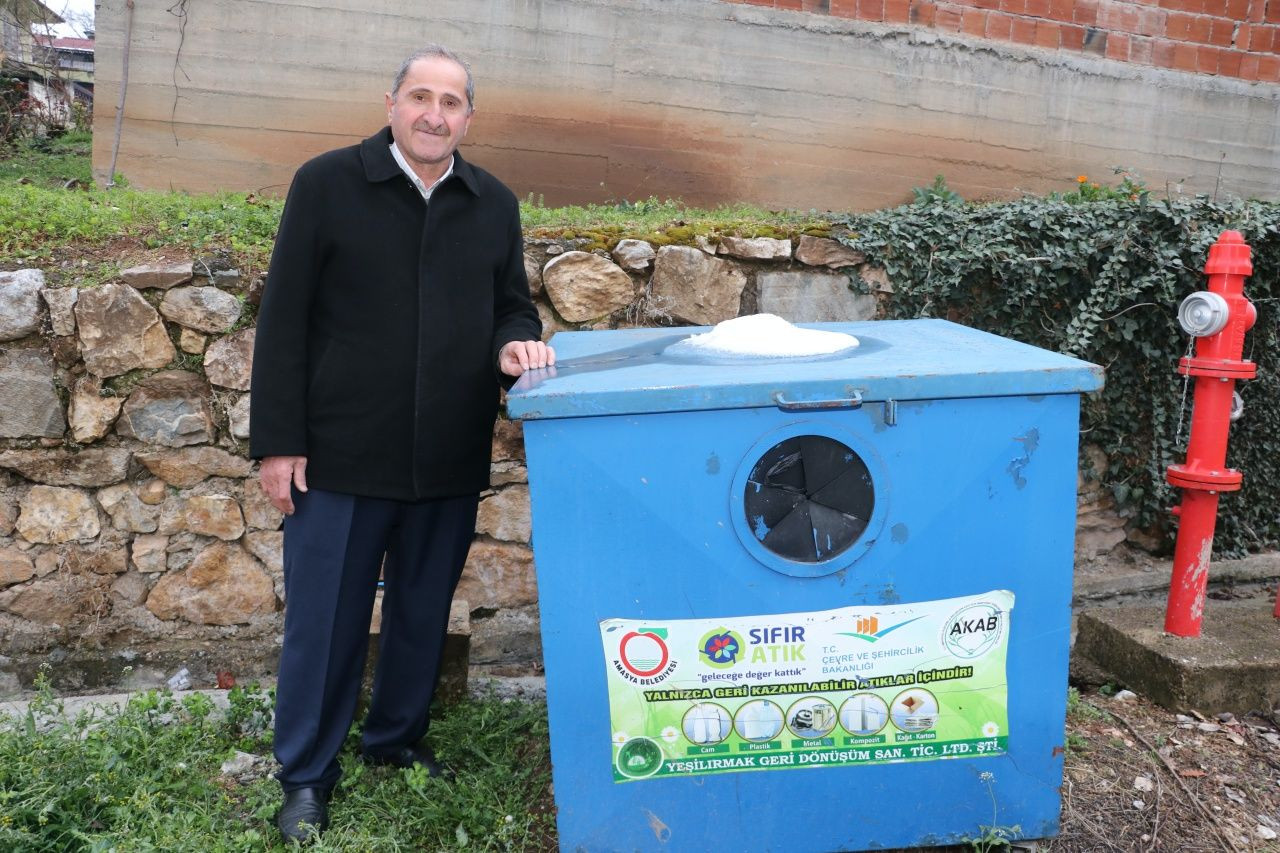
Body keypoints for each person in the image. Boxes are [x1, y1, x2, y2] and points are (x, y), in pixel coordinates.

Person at [249, 44, 552, 843]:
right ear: (391, 104)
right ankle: (306, 775)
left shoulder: (493, 203)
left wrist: (515, 344)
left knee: (421, 615)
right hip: (338, 456)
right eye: (420, 97)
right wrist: (277, 443)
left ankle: (394, 740)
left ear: (469, 118)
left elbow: (512, 307)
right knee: (326, 623)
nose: (434, 114)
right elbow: (283, 317)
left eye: (451, 102)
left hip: (446, 455)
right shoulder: (326, 184)